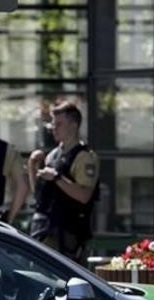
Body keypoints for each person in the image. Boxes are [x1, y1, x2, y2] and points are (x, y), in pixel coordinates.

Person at [27, 102, 100, 263]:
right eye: (53, 123)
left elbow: (84, 195)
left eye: (59, 124)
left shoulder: (85, 157)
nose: (54, 127)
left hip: (67, 236)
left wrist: (57, 178)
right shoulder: (52, 155)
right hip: (43, 230)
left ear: (74, 126)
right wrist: (32, 167)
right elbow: (39, 197)